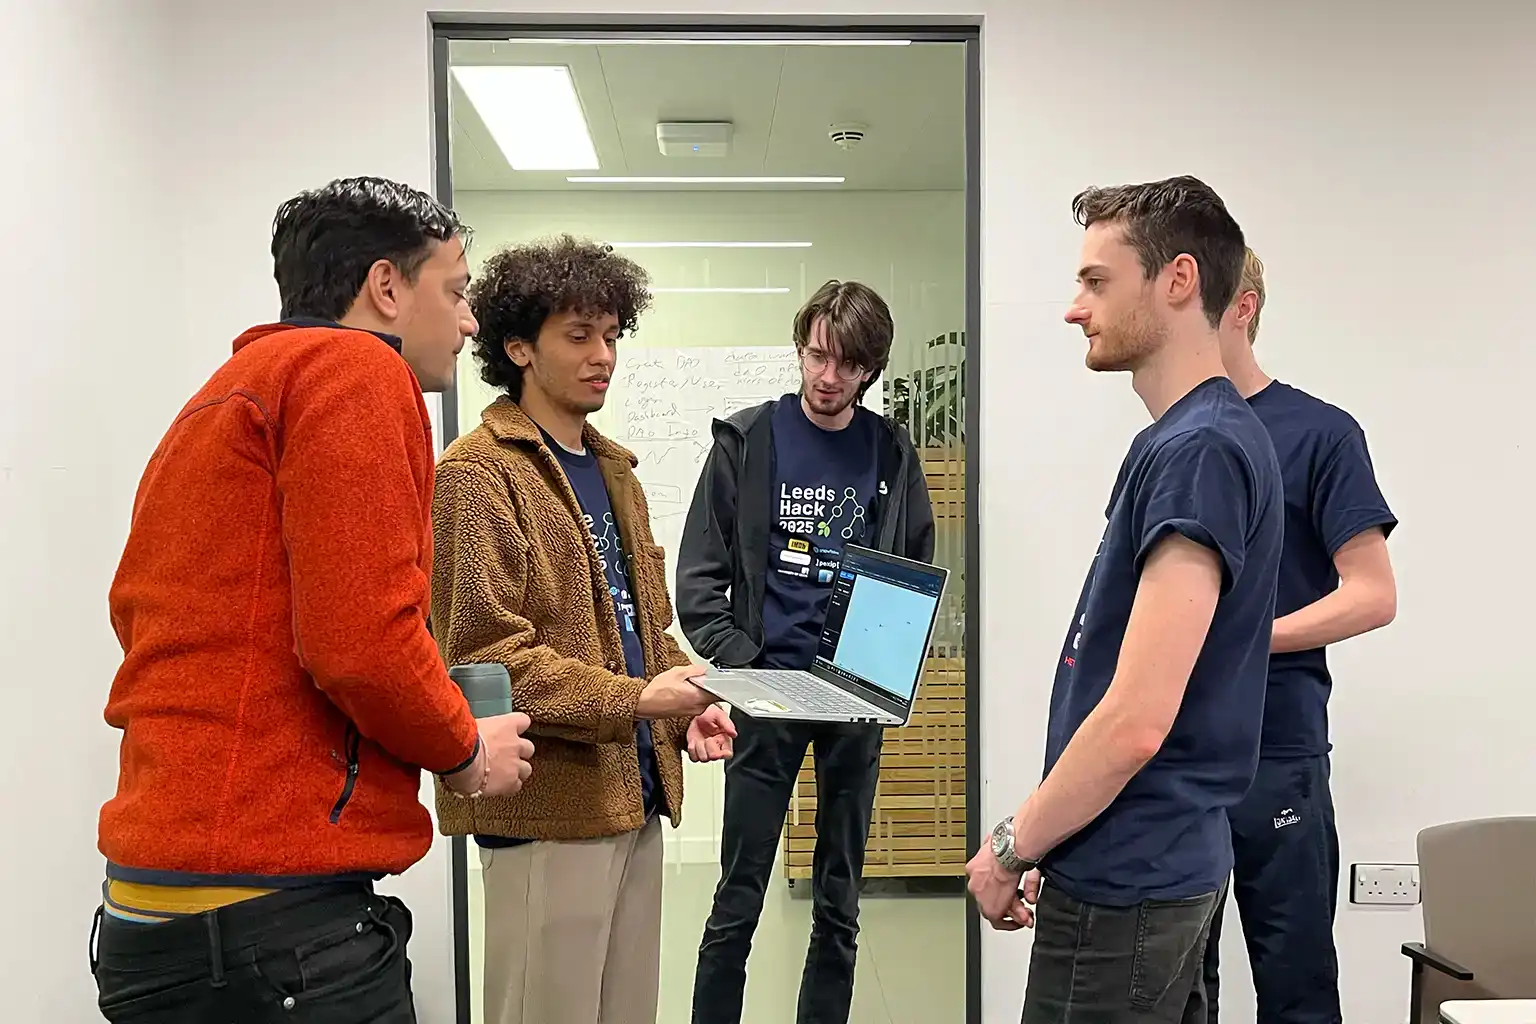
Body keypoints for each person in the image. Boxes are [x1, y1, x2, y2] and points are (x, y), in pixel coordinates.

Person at [92, 176, 536, 1023]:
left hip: (154, 917)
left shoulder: (223, 395)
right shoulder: (355, 367)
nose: (470, 319)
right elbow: (363, 638)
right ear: (386, 288)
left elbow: (139, 615)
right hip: (273, 921)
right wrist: (461, 747)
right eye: (456, 290)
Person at [964, 176, 1285, 1024]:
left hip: (1131, 877)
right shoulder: (1188, 440)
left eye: (1096, 282)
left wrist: (1012, 843)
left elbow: (1138, 720)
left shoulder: (1201, 450)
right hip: (1146, 860)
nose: (1076, 308)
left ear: (1178, 280)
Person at [429, 234, 735, 1024]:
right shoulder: (477, 475)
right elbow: (485, 658)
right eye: (578, 336)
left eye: (611, 335)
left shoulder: (615, 471)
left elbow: (647, 625)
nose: (603, 355)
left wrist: (686, 697)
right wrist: (639, 698)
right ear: (518, 347)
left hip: (631, 797)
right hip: (546, 812)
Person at [678, 279, 936, 1024]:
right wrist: (746, 669)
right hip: (766, 696)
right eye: (818, 355)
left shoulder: (890, 452)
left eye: (848, 364)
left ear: (869, 370)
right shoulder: (749, 441)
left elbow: (912, 572)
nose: (828, 377)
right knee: (737, 898)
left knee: (840, 904)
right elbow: (699, 581)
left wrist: (882, 674)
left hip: (852, 702)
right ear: (800, 347)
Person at [1201, 250, 1398, 1024]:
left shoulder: (1321, 434)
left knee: (1298, 987)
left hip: (1278, 753)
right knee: (1182, 988)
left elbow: (1373, 596)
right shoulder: (1174, 439)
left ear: (1242, 307)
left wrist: (1243, 639)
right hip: (1179, 754)